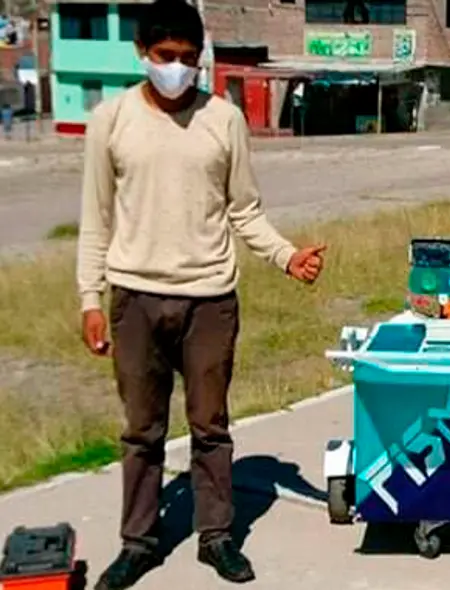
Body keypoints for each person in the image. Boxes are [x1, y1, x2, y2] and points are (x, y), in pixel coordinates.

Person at [75, 1, 327, 588]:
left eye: (189, 59)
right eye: (166, 58)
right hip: (134, 298)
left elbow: (245, 211)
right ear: (142, 53)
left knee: (210, 426)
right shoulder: (109, 121)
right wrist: (91, 299)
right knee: (142, 431)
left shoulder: (224, 120)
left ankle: (216, 538)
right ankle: (138, 542)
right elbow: (96, 219)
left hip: (211, 299)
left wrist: (287, 256)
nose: (178, 69)